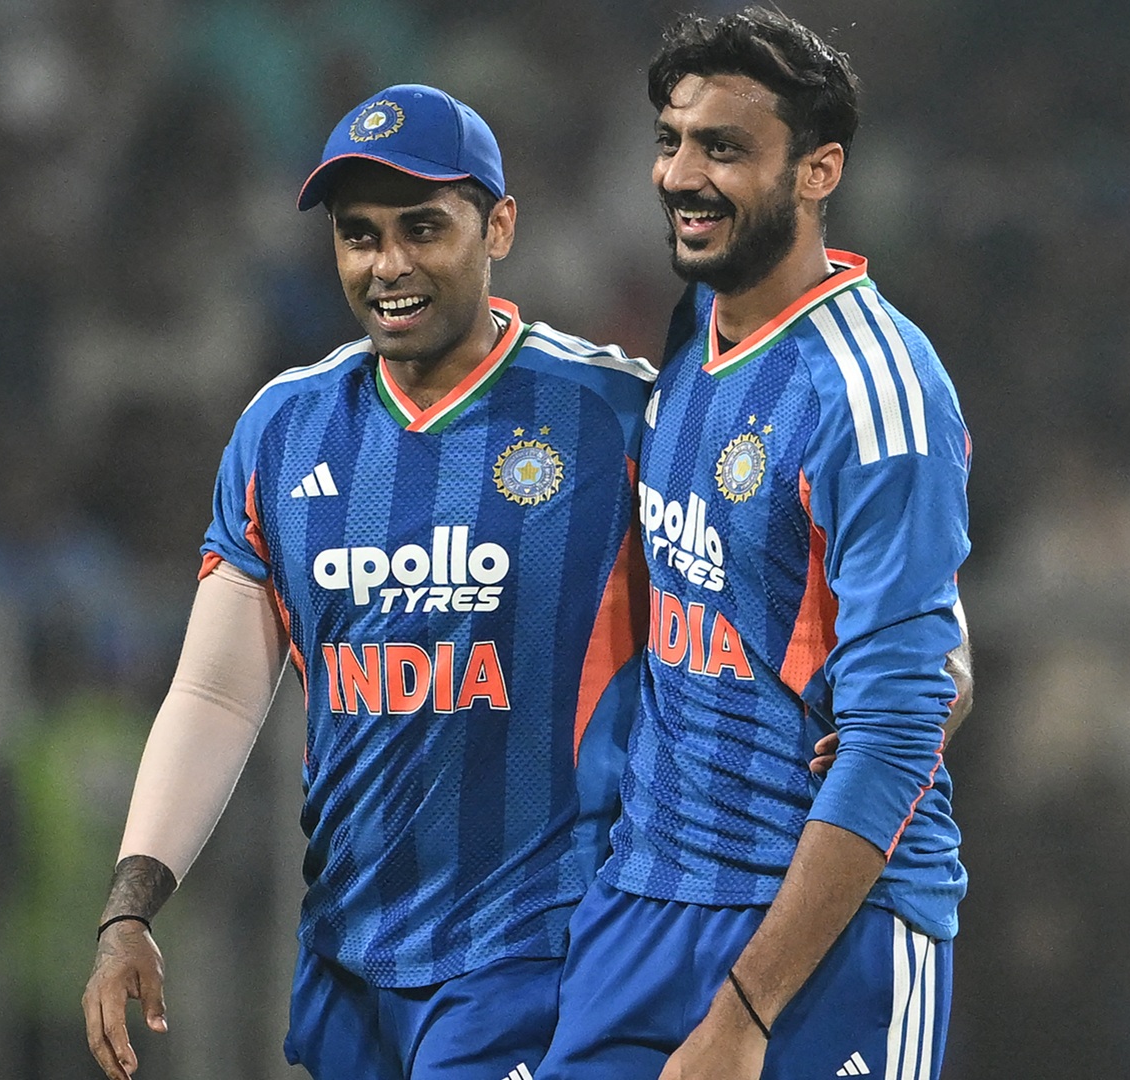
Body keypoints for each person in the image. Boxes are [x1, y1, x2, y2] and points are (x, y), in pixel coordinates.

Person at [79, 84, 658, 1080]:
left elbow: (747, 587)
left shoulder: (615, 417)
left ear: (500, 226)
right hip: (353, 964)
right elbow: (217, 692)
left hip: (542, 957)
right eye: (360, 236)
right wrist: (130, 906)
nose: (388, 264)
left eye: (423, 228)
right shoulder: (284, 429)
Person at [541, 10, 974, 1080]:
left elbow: (901, 723)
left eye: (724, 148)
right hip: (647, 908)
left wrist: (746, 1007)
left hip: (823, 944)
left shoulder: (877, 390)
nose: (681, 175)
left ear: (819, 170)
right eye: (671, 140)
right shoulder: (702, 324)